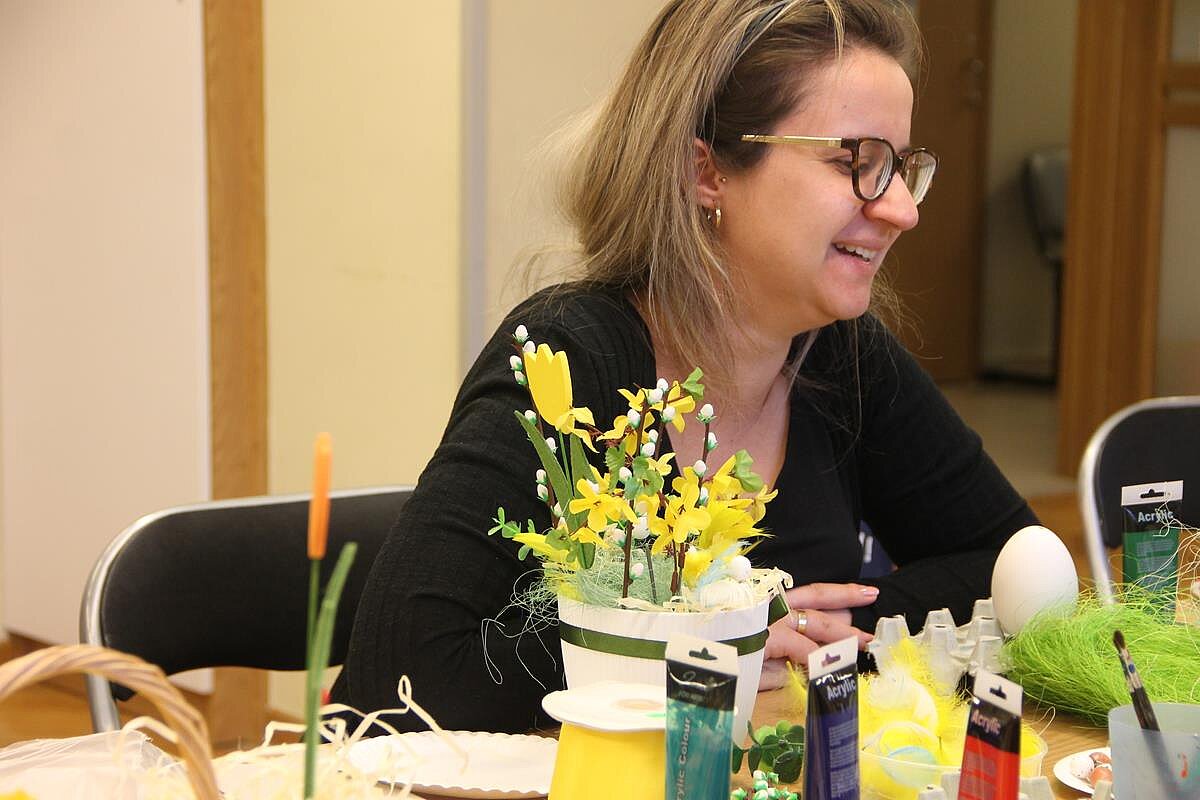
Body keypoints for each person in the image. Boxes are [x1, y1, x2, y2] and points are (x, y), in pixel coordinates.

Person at [331, 0, 1036, 733]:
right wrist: (709, 633)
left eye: (901, 169)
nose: (901, 211)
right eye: (854, 163)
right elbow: (401, 672)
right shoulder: (568, 356)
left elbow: (1008, 562)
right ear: (707, 172)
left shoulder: (841, 355)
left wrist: (814, 628)